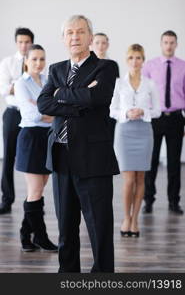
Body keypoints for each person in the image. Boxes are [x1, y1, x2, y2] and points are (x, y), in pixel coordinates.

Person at [37, 15, 119, 272]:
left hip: (93, 159)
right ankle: (68, 275)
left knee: (99, 228)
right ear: (63, 38)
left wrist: (61, 96)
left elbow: (98, 98)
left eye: (80, 32)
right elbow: (43, 103)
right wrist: (78, 103)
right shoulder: (56, 69)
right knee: (65, 227)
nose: (75, 37)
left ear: (90, 37)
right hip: (61, 157)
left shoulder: (105, 67)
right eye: (70, 33)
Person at [110, 44, 161, 237]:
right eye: (131, 57)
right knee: (129, 179)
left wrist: (143, 111)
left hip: (144, 132)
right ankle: (126, 218)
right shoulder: (118, 84)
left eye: (138, 57)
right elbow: (112, 110)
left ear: (143, 60)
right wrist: (126, 112)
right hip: (124, 132)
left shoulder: (150, 84)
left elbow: (157, 110)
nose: (135, 61)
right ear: (127, 60)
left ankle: (135, 219)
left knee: (141, 178)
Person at [14, 44, 58, 252]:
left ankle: (26, 234)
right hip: (31, 137)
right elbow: (32, 115)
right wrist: (48, 112)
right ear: (26, 61)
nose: (38, 63)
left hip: (47, 137)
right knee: (35, 190)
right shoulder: (21, 84)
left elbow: (57, 108)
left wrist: (44, 109)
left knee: (38, 192)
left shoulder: (49, 81)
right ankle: (40, 236)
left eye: (42, 59)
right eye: (34, 59)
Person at [142, 30, 185, 215]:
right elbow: (143, 93)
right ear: (161, 44)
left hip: (176, 117)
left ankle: (174, 202)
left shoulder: (183, 67)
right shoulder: (150, 66)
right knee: (151, 161)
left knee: (174, 163)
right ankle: (148, 200)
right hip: (155, 118)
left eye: (172, 42)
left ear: (176, 44)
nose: (169, 45)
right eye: (166, 42)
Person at [0, 27, 34, 214]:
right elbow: (3, 88)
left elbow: (39, 87)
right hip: (13, 113)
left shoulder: (36, 61)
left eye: (27, 42)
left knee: (33, 158)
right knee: (8, 157)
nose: (23, 45)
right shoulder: (8, 62)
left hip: (31, 115)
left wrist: (15, 86)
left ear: (31, 43)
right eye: (20, 42)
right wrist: (21, 87)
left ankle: (34, 201)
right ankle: (7, 200)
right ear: (16, 43)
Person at [91, 32, 119, 143]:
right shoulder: (86, 64)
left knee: (108, 142)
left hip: (109, 110)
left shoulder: (112, 65)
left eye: (103, 43)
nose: (100, 46)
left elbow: (115, 88)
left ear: (107, 45)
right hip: (90, 110)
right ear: (91, 44)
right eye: (97, 42)